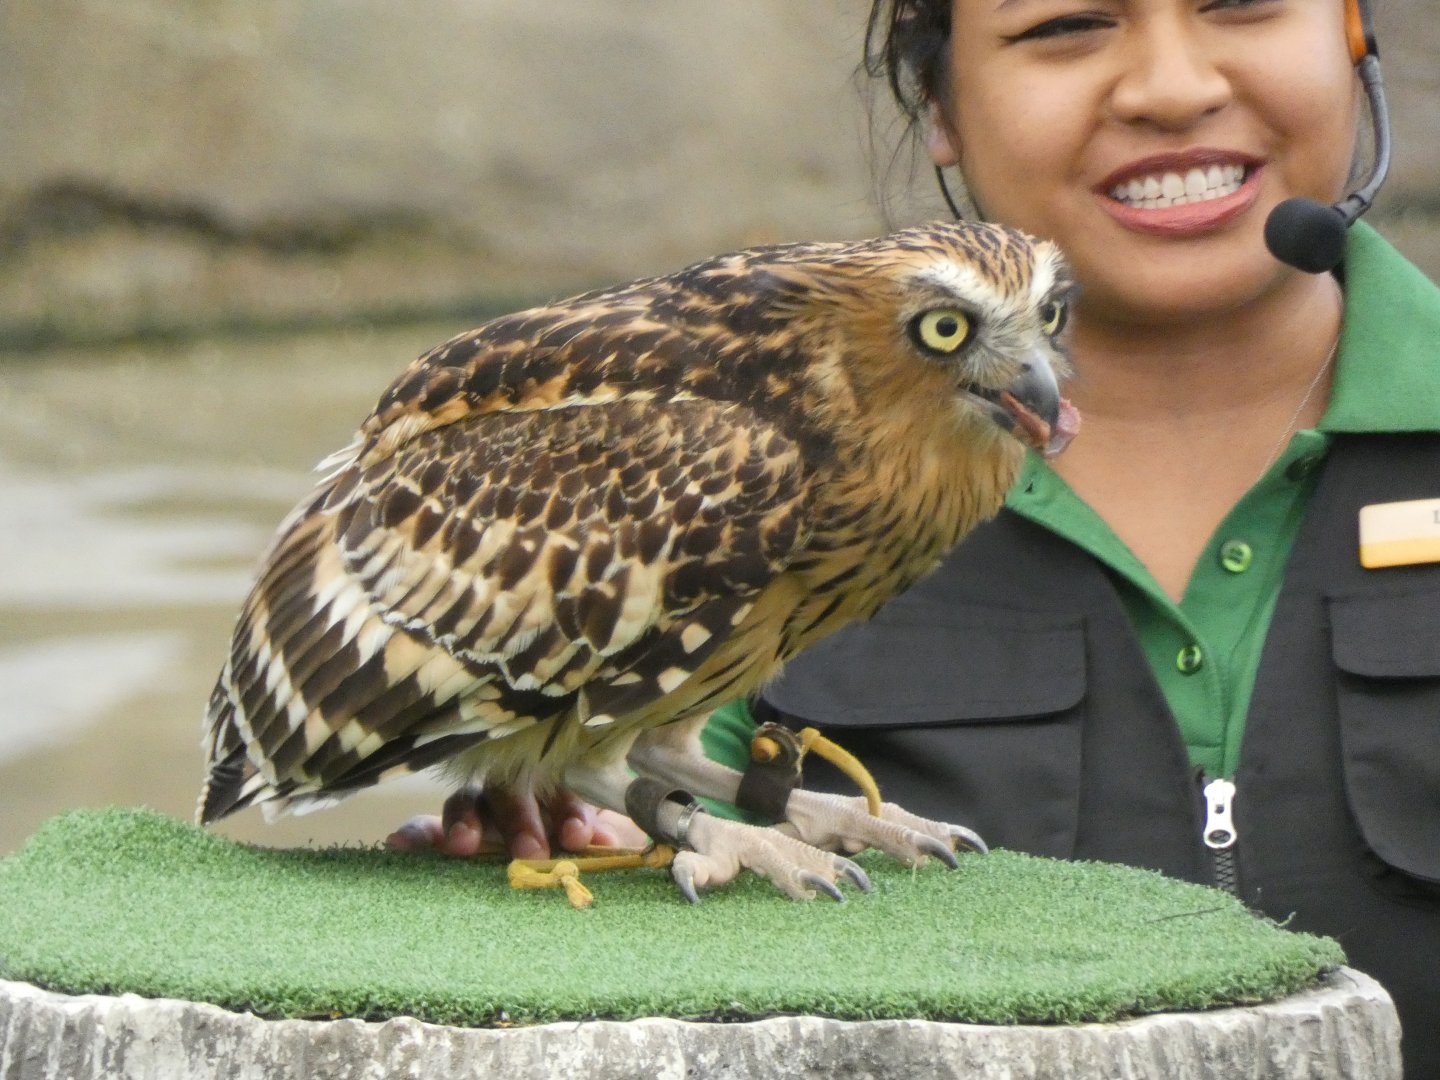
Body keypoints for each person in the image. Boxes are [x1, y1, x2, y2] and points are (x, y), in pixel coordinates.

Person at [392, 1, 1440, 1072]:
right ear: (938, 101)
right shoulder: (720, 476)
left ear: (1355, 34)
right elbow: (651, 785)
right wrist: (605, 870)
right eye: (1068, 24)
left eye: (1241, 0)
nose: (1169, 87)